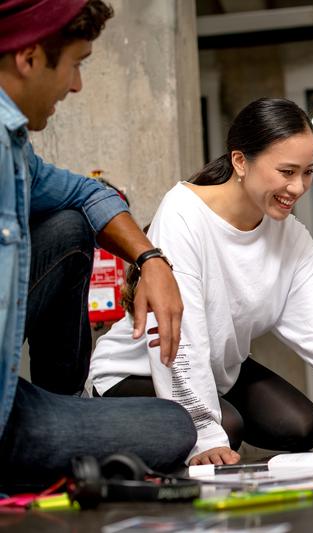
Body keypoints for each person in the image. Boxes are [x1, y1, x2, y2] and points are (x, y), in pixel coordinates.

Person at [88, 99, 313, 466]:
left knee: (302, 426)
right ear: (240, 161)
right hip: (138, 370)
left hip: (217, 370)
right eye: (287, 171)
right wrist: (204, 432)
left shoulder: (293, 239)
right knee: (224, 428)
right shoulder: (183, 212)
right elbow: (183, 341)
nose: (298, 186)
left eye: (308, 172)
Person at [0, 0, 196, 488]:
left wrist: (151, 260)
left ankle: (64, 405)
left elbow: (89, 192)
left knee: (67, 226)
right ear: (28, 58)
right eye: (74, 65)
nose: (76, 85)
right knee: (173, 429)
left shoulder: (15, 148)